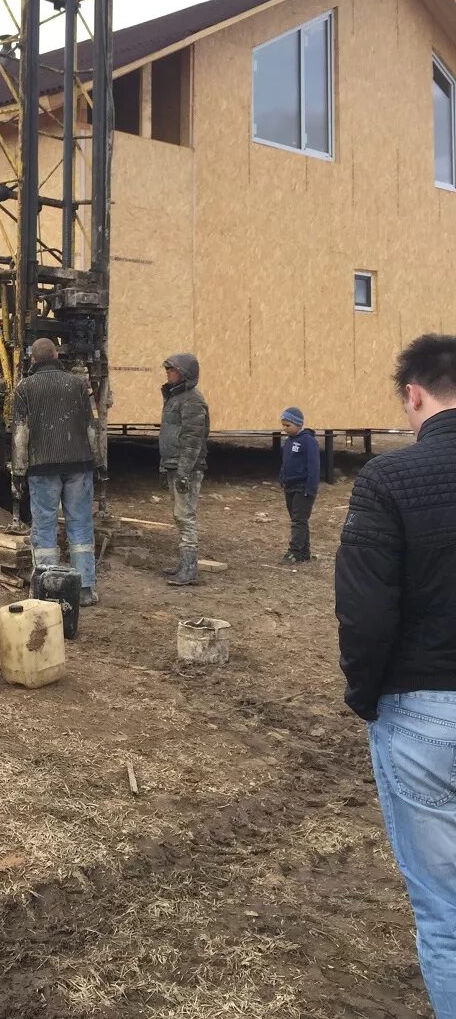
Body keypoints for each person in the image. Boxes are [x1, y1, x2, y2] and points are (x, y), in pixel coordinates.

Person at [336, 333, 456, 1018]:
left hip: (422, 713)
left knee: (446, 912)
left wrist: (365, 693)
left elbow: (366, 613)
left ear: (413, 394)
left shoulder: (388, 481)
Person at [11, 338, 104, 606]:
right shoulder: (78, 384)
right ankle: (85, 587)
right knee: (81, 523)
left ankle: (48, 590)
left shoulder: (25, 388)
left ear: (33, 360)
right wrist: (98, 463)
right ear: (56, 355)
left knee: (44, 527)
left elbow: (21, 433)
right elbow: (91, 426)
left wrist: (18, 471)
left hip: (43, 467)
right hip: (79, 465)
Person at [159, 353, 209, 587]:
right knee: (180, 515)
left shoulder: (192, 401)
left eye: (172, 370)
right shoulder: (177, 398)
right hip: (175, 463)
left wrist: (183, 471)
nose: (168, 373)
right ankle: (184, 564)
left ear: (184, 373)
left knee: (185, 515)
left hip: (185, 466)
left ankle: (189, 568)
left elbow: (192, 439)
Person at [278, 406, 320, 563]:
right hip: (290, 486)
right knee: (298, 520)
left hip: (303, 488)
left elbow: (313, 466)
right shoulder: (289, 442)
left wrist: (311, 488)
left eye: (288, 425)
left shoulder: (308, 441)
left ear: (298, 424)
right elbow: (286, 463)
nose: (284, 428)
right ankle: (304, 552)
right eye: (283, 425)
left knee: (298, 520)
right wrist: (282, 477)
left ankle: (294, 551)